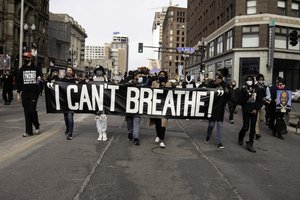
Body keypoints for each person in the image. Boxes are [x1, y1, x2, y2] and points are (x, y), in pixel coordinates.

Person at [16, 52, 42, 137]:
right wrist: (18, 93)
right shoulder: (21, 69)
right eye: (24, 58)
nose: (25, 59)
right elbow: (19, 82)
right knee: (26, 112)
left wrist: (37, 83)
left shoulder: (36, 68)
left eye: (26, 58)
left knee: (31, 110)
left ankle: (37, 125)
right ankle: (28, 131)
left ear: (30, 59)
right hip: (25, 93)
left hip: (34, 93)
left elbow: (40, 78)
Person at [203, 68, 229, 149]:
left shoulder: (225, 84)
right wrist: (214, 84)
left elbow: (227, 95)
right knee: (211, 124)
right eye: (217, 74)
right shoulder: (212, 82)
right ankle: (208, 136)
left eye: (219, 74)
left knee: (220, 125)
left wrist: (226, 91)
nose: (217, 76)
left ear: (222, 75)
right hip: (213, 107)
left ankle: (218, 142)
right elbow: (207, 90)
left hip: (221, 108)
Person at [238, 75, 263, 153]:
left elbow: (260, 101)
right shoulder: (243, 90)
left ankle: (250, 143)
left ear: (253, 81)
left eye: (251, 80)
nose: (249, 81)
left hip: (254, 111)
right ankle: (241, 136)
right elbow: (240, 101)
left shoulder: (257, 89)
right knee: (246, 127)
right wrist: (246, 96)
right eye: (248, 80)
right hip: (246, 110)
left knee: (253, 128)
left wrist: (256, 109)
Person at [150, 70, 173, 148]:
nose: (162, 76)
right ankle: (158, 135)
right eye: (160, 74)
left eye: (163, 75)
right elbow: (150, 91)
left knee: (163, 124)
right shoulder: (154, 82)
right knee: (157, 122)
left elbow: (170, 93)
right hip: (156, 106)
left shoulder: (168, 83)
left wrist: (164, 86)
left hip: (164, 106)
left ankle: (162, 140)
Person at [125, 70, 144, 145]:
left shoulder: (142, 84)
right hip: (129, 105)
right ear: (135, 76)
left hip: (137, 106)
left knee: (136, 121)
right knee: (129, 121)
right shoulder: (129, 82)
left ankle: (136, 137)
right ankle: (130, 132)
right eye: (139, 75)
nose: (140, 77)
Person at [93, 66, 109, 141]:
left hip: (104, 102)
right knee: (97, 119)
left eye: (100, 70)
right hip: (95, 101)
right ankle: (99, 133)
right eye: (97, 70)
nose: (99, 72)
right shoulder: (92, 79)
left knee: (103, 118)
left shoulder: (106, 79)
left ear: (102, 71)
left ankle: (104, 132)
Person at [61, 67, 77, 140]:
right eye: (67, 70)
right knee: (65, 117)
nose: (68, 72)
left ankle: (70, 133)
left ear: (73, 72)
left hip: (72, 102)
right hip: (64, 101)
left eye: (70, 70)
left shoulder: (75, 80)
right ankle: (68, 128)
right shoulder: (62, 80)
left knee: (70, 117)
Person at [255, 74, 267, 140]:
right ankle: (257, 133)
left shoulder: (265, 87)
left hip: (262, 106)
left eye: (262, 79)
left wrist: (266, 99)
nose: (261, 81)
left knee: (261, 119)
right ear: (257, 80)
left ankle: (254, 128)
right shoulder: (255, 87)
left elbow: (267, 95)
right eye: (260, 79)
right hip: (256, 105)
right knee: (256, 120)